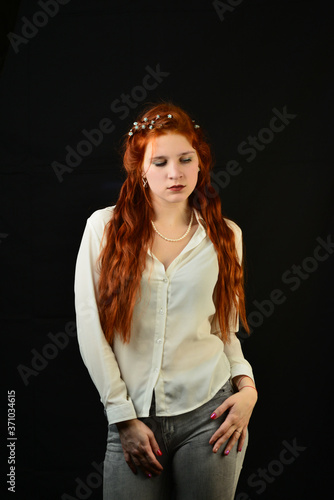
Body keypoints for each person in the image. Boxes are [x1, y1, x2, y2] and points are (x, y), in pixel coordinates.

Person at [74, 102, 258, 500]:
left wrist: (248, 390)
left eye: (184, 159)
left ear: (199, 162)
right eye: (159, 162)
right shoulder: (103, 229)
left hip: (212, 415)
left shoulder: (226, 236)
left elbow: (222, 331)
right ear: (139, 167)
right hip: (134, 416)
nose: (174, 173)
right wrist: (122, 417)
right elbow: (90, 326)